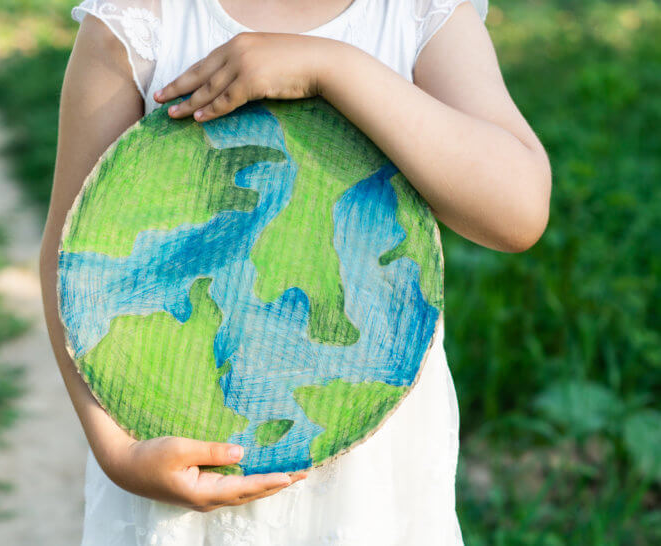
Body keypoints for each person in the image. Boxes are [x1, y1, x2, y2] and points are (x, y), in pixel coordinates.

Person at [38, 0, 552, 543]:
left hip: (365, 477)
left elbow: (517, 212)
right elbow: (71, 259)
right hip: (182, 472)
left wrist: (332, 69)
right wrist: (118, 451)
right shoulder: (143, 20)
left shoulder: (417, 15)